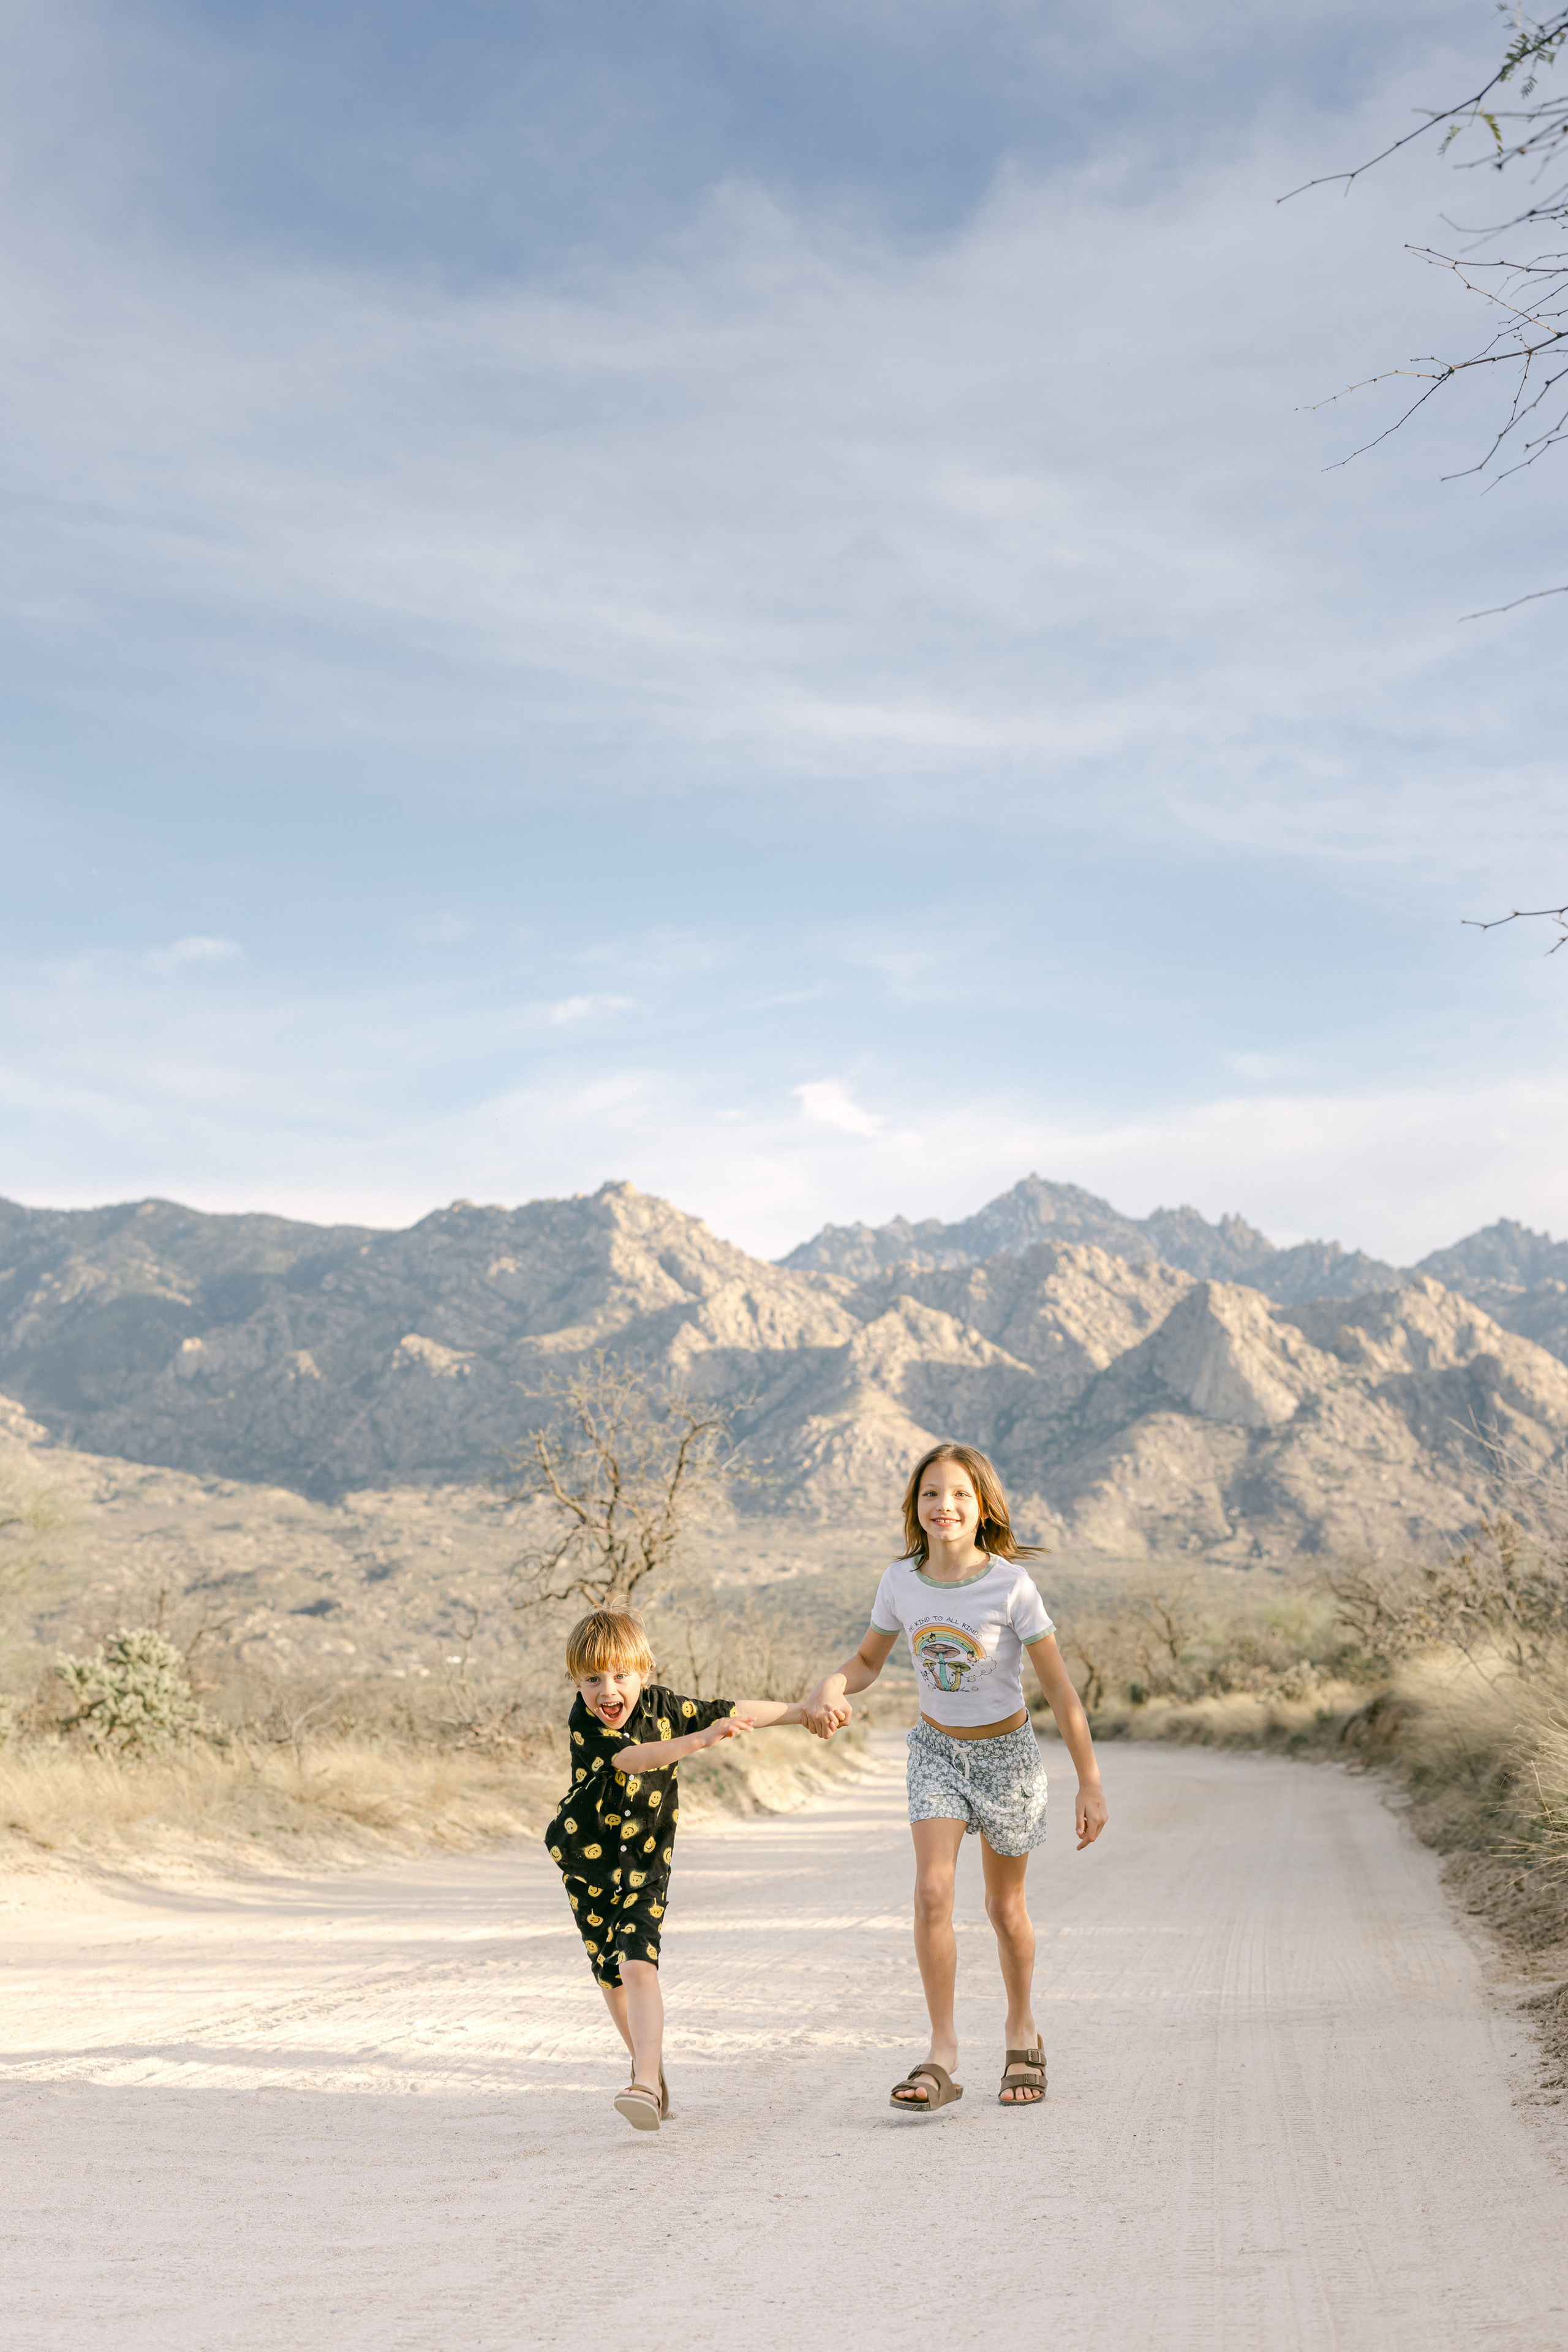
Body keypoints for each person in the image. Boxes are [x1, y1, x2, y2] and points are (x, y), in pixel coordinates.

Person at [803, 1442, 1107, 2112]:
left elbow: (1059, 1690)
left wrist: (1089, 1781)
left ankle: (1021, 2028)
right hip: (936, 1751)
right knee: (933, 1892)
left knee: (1004, 1910)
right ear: (916, 1507)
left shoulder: (1009, 1586)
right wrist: (833, 1682)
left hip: (1007, 1758)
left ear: (982, 1507)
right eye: (931, 1494)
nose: (945, 1506)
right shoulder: (900, 1581)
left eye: (960, 1495)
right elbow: (866, 1661)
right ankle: (942, 2052)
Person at [546, 1604, 816, 2132]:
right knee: (611, 1978)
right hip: (587, 1868)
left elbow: (733, 1709)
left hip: (646, 1864)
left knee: (638, 1963)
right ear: (576, 1684)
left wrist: (802, 1711)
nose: (608, 1691)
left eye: (621, 1675)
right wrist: (700, 1741)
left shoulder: (665, 1707)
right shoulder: (586, 1724)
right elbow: (634, 1760)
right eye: (592, 1679)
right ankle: (652, 2073)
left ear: (644, 1673)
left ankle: (644, 2082)